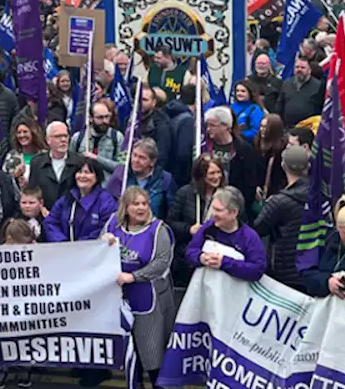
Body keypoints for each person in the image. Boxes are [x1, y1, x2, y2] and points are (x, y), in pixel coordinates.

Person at [102, 186, 178, 389]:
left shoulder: (159, 230)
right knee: (129, 353)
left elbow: (162, 263)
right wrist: (103, 244)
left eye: (145, 203)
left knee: (152, 353)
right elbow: (98, 254)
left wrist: (133, 276)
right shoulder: (112, 225)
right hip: (119, 298)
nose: (142, 208)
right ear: (126, 207)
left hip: (149, 299)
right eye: (136, 204)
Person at [252, 145, 310, 292]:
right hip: (312, 267)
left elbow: (258, 228)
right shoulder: (319, 196)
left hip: (284, 270)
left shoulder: (279, 202)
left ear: (283, 166)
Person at [166, 155, 225, 287]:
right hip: (188, 257)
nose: (216, 176)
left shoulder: (227, 196)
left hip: (215, 255)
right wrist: (189, 229)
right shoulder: (185, 193)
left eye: (218, 172)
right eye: (212, 173)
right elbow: (170, 222)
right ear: (201, 175)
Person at [185, 186, 266, 281]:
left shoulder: (249, 237)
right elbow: (190, 251)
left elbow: (257, 270)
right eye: (213, 209)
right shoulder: (208, 228)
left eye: (218, 210)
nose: (213, 214)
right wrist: (201, 257)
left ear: (234, 213)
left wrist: (225, 263)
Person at [45, 156, 117, 243]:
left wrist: (79, 246)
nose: (83, 176)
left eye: (88, 172)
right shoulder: (66, 199)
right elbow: (50, 222)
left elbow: (106, 228)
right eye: (79, 172)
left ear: (97, 176)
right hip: (65, 251)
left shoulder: (106, 201)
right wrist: (62, 242)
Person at [105, 138, 175, 218]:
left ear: (152, 162)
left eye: (142, 157)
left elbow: (171, 213)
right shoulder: (122, 177)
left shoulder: (165, 180)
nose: (136, 160)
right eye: (134, 155)